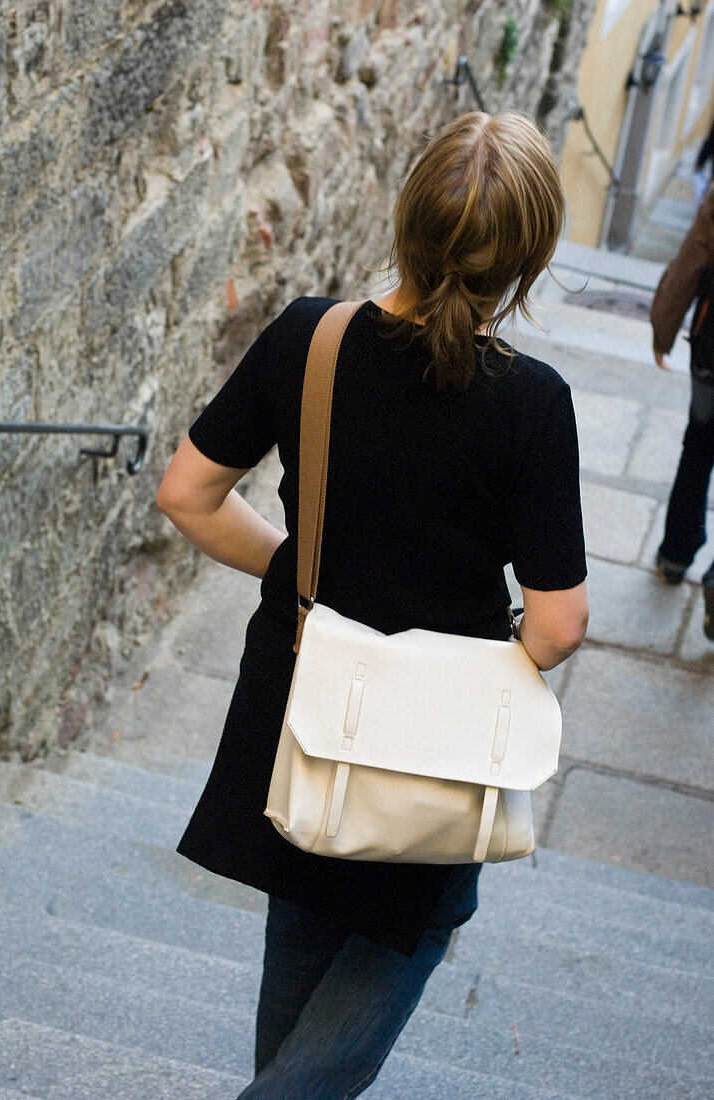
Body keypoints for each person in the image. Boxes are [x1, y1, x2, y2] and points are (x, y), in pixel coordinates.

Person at [157, 110, 589, 1098]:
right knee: (417, 916)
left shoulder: (308, 339)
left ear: (405, 223)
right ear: (524, 260)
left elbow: (185, 493)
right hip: (431, 743)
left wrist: (291, 573)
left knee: (306, 908)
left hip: (307, 699)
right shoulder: (531, 403)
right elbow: (556, 622)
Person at [650, 185, 714, 641]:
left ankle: (676, 552)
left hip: (712, 354)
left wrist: (663, 330)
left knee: (698, 445)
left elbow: (690, 262)